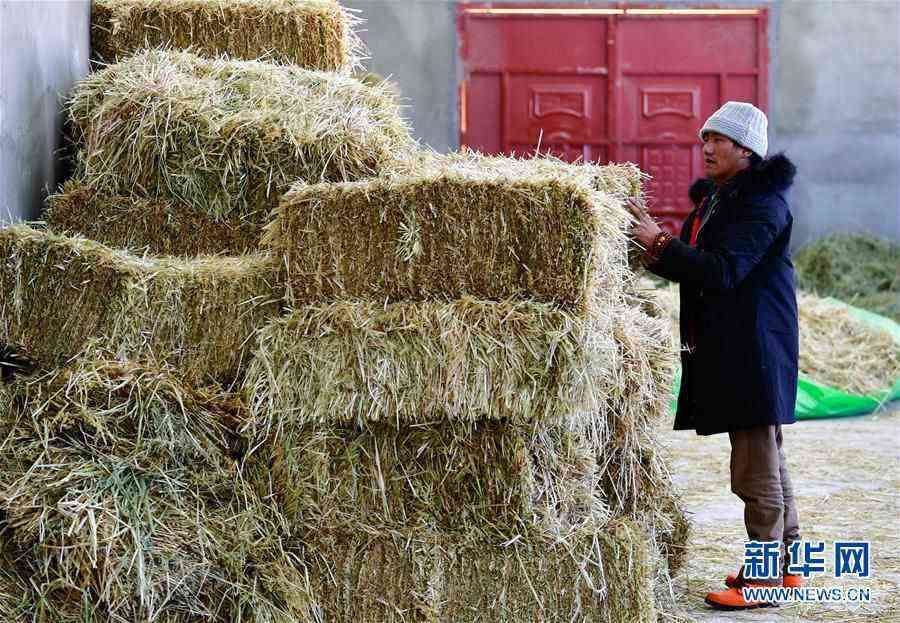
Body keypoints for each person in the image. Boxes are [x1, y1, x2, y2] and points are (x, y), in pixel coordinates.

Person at [627, 102, 801, 611]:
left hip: (755, 347)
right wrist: (650, 244)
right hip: (736, 345)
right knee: (767, 455)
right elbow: (694, 268)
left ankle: (766, 578)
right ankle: (787, 567)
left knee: (754, 469)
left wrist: (661, 242)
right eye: (704, 138)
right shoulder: (717, 202)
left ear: (745, 149)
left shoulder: (762, 204)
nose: (706, 147)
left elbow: (724, 271)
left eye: (717, 139)